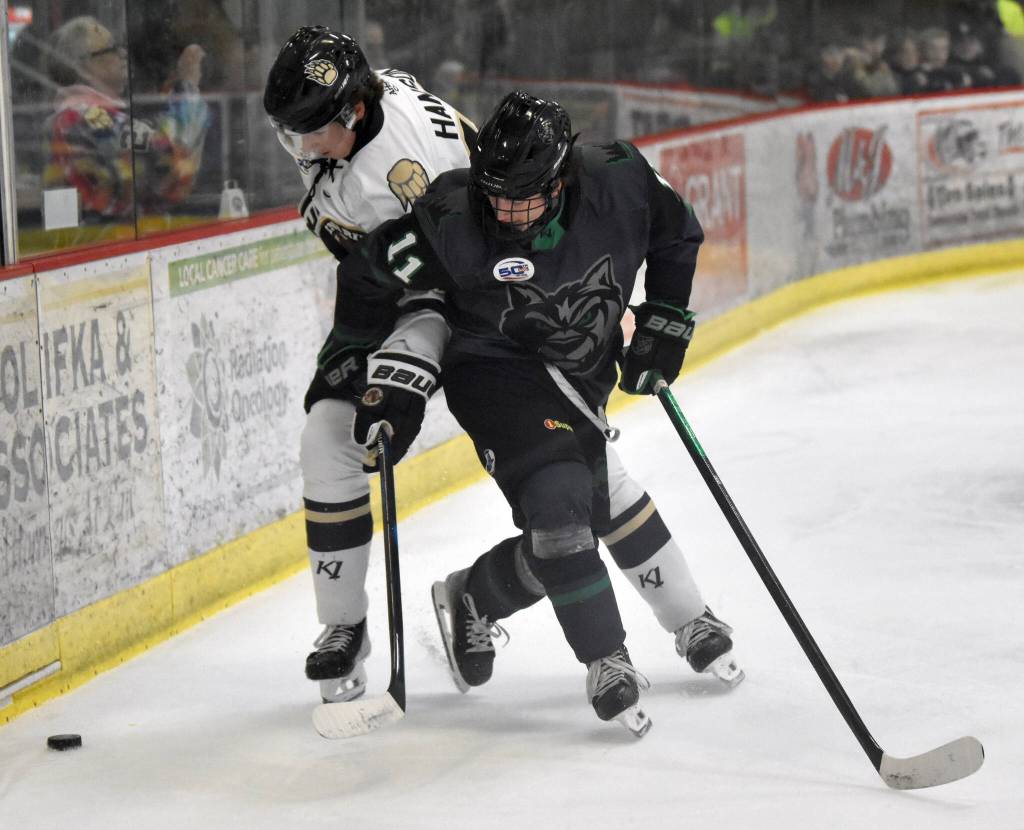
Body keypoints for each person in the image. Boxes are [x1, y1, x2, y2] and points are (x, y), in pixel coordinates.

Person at [327, 90, 743, 734]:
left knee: (597, 496)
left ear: (561, 179)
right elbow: (367, 274)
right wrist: (365, 362)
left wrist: (665, 319)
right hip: (495, 373)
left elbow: (678, 233)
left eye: (522, 198)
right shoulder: (450, 215)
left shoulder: (621, 180)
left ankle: (476, 595)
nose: (504, 212)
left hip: (581, 372)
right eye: (494, 196)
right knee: (559, 499)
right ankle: (606, 658)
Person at [263, 25, 478, 704]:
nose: (301, 148)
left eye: (311, 132)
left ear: (355, 112)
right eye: (290, 132)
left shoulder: (399, 174)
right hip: (389, 284)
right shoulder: (355, 108)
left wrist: (402, 373)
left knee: (550, 456)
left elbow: (445, 282)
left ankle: (489, 597)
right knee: (326, 439)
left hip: (468, 298)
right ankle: (343, 627)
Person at [43, 16, 209, 227]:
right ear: (82, 68)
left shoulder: (85, 115)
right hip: (105, 239)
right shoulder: (83, 117)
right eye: (111, 48)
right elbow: (174, 156)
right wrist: (188, 86)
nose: (122, 53)